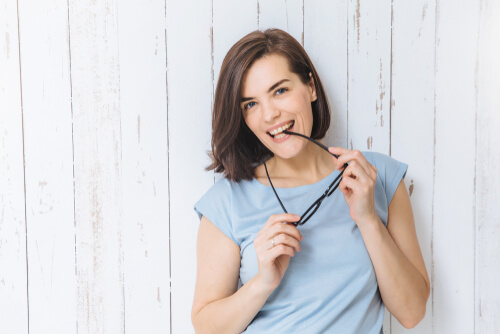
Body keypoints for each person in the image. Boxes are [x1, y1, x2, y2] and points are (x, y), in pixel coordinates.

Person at [192, 29, 430, 333]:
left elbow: (412, 313)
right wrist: (262, 283)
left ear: (311, 86)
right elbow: (206, 326)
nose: (269, 114)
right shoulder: (226, 201)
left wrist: (368, 219)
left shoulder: (375, 176)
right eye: (250, 104)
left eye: (280, 91)